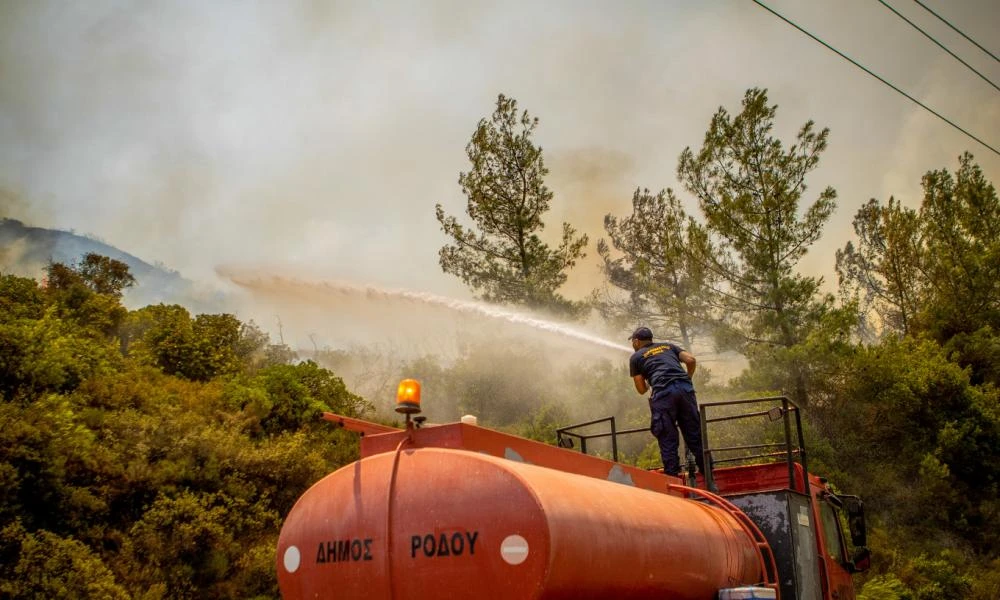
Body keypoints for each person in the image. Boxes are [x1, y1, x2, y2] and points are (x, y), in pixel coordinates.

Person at [628, 326, 706, 478]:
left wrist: (651, 378)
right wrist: (687, 378)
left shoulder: (636, 357)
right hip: (685, 390)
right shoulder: (668, 346)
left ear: (636, 341)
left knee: (667, 437)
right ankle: (708, 473)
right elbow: (690, 360)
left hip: (664, 394)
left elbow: (641, 389)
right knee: (694, 433)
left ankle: (673, 479)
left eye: (632, 342)